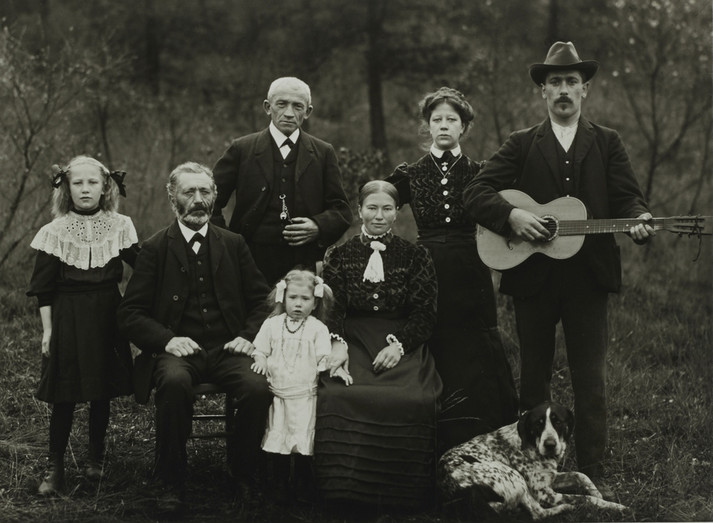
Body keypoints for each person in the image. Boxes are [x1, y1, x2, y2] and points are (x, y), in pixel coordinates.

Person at [463, 42, 654, 495]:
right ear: (543, 92)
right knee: (534, 378)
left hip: (589, 279)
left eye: (572, 82)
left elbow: (628, 198)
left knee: (591, 381)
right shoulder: (522, 143)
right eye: (555, 82)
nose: (564, 90)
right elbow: (476, 192)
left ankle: (592, 475)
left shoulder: (606, 142)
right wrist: (512, 216)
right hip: (533, 279)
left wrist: (639, 219)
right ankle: (535, 475)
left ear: (585, 89)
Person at [117, 162, 272, 513]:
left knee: (257, 388)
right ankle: (170, 480)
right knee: (173, 383)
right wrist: (167, 340)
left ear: (215, 196)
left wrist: (248, 337)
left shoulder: (234, 244)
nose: (198, 199)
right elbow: (130, 313)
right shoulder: (155, 248)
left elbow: (263, 301)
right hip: (177, 353)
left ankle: (244, 473)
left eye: (205, 191)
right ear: (173, 198)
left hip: (229, 350)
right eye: (189, 192)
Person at [386, 87, 518, 454]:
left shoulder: (480, 173)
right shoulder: (411, 173)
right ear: (427, 126)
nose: (444, 125)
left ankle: (482, 431)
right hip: (426, 267)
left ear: (464, 127)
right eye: (437, 120)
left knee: (474, 342)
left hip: (470, 267)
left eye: (452, 120)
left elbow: (507, 207)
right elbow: (377, 204)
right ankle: (430, 434)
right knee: (431, 336)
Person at [315, 180, 443, 511]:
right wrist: (337, 343)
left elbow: (425, 313)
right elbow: (332, 308)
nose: (379, 216)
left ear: (397, 213)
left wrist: (400, 345)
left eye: (387, 209)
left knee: (414, 398)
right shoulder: (339, 254)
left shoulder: (415, 255)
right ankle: (342, 491)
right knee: (336, 393)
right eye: (371, 208)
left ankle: (404, 495)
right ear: (359, 211)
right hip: (353, 339)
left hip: (399, 339)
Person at [27, 156, 138, 495]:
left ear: (105, 187)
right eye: (78, 183)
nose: (85, 189)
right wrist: (48, 331)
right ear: (66, 188)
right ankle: (55, 466)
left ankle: (95, 457)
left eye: (93, 183)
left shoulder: (120, 225)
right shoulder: (54, 231)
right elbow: (43, 289)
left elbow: (146, 266)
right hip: (68, 316)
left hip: (107, 314)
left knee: (101, 390)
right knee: (64, 393)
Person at [211, 76, 352, 285]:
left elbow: (341, 210)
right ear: (268, 107)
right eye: (281, 104)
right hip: (248, 261)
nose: (289, 113)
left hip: (302, 265)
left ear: (308, 112)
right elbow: (208, 200)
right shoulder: (242, 149)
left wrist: (318, 226)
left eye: (297, 106)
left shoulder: (323, 153)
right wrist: (228, 242)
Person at [250, 269, 351, 500]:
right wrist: (260, 360)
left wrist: (336, 368)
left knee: (303, 438)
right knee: (280, 436)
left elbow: (324, 358)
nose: (298, 304)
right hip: (278, 395)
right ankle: (279, 482)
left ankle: (304, 482)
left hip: (305, 396)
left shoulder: (318, 328)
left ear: (315, 303)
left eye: (305, 299)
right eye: (292, 297)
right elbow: (260, 349)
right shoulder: (272, 324)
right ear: (282, 297)